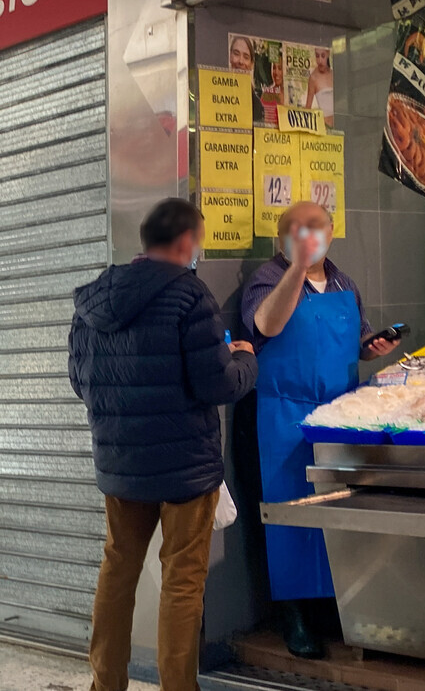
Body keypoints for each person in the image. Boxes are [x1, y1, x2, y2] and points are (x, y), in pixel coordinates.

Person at [70, 198, 259, 691]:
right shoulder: (188, 297)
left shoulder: (91, 299)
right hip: (184, 467)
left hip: (121, 462)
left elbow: (80, 380)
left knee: (117, 569)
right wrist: (245, 361)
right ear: (183, 242)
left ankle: (105, 683)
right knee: (182, 579)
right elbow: (215, 384)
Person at [239, 202, 399, 658]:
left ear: (331, 233)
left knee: (337, 511)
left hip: (339, 414)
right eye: (296, 230)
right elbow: (267, 323)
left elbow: (357, 343)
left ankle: (336, 607)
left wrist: (374, 347)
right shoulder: (268, 278)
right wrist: (297, 268)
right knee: (290, 513)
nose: (308, 237)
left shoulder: (344, 281)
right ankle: (293, 615)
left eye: (316, 229)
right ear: (281, 238)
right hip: (284, 418)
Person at [307, 48, 334, 126]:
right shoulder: (313, 78)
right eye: (317, 56)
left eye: (323, 56)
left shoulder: (333, 74)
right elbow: (308, 108)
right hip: (325, 126)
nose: (320, 61)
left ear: (328, 54)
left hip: (338, 124)